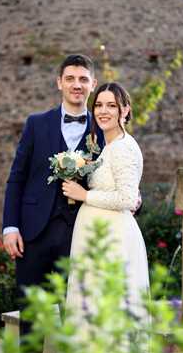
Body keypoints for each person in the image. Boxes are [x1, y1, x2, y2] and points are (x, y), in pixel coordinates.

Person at [2, 54, 102, 353]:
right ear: (59, 82)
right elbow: (16, 178)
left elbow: (117, 176)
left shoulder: (103, 130)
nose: (76, 85)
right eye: (70, 79)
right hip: (34, 233)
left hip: (81, 234)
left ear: (93, 85)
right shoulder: (36, 124)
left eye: (83, 79)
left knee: (79, 312)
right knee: (32, 313)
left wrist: (132, 199)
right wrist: (11, 227)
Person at [63, 82, 150, 330]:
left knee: (109, 311)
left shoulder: (123, 147)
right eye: (99, 105)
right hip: (99, 236)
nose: (103, 111)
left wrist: (84, 195)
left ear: (125, 110)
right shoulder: (108, 146)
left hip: (113, 239)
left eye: (111, 105)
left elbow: (128, 200)